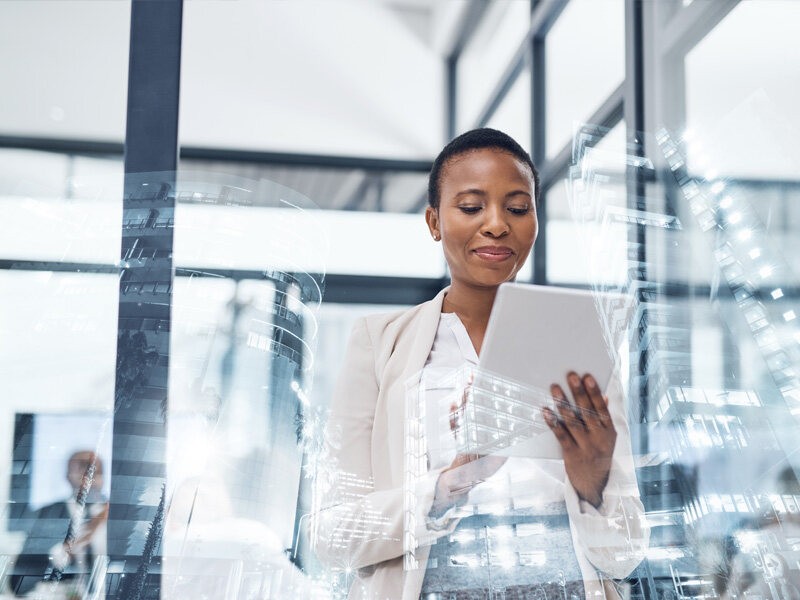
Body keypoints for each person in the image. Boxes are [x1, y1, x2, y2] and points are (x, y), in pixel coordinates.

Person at [311, 128, 649, 599]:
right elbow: (332, 537)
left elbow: (625, 554)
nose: (496, 224)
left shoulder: (580, 346)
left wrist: (594, 483)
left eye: (517, 208)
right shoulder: (380, 343)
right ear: (434, 222)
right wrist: (449, 485)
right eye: (471, 207)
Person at [10, 450, 108, 597]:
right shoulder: (48, 513)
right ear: (67, 475)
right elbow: (22, 576)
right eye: (81, 469)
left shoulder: (116, 514)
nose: (88, 477)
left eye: (96, 471)